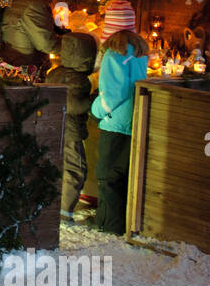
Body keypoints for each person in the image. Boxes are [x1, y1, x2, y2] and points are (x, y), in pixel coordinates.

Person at [91, 28, 151, 235]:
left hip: (115, 122)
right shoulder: (139, 54)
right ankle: (120, 221)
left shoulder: (115, 54)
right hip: (134, 119)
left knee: (108, 175)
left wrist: (96, 109)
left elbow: (113, 93)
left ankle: (109, 224)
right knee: (124, 175)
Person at [46, 31, 97, 225]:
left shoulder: (55, 73)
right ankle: (64, 212)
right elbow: (74, 106)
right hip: (70, 130)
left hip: (53, 127)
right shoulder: (79, 80)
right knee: (75, 169)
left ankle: (54, 206)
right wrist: (93, 100)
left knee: (58, 167)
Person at [0, 0, 64, 72]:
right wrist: (72, 44)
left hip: (14, 60)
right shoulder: (35, 5)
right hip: (24, 65)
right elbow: (46, 44)